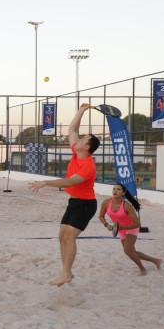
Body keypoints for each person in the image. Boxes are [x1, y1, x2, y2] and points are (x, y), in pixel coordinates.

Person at [29, 103, 100, 287]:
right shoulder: (77, 153)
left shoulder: (88, 166)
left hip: (86, 205)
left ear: (87, 147)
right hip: (74, 202)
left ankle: (66, 273)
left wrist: (45, 182)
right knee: (61, 235)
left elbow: (68, 182)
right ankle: (65, 272)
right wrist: (82, 110)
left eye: (85, 139)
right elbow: (72, 128)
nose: (80, 139)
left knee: (69, 236)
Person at [99, 183, 162, 276]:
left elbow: (137, 224)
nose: (115, 191)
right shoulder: (106, 202)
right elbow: (101, 216)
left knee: (127, 250)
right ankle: (155, 261)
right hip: (119, 229)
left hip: (131, 227)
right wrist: (106, 225)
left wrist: (121, 227)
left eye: (118, 189)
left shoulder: (127, 205)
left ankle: (143, 269)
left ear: (123, 193)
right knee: (131, 252)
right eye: (114, 189)